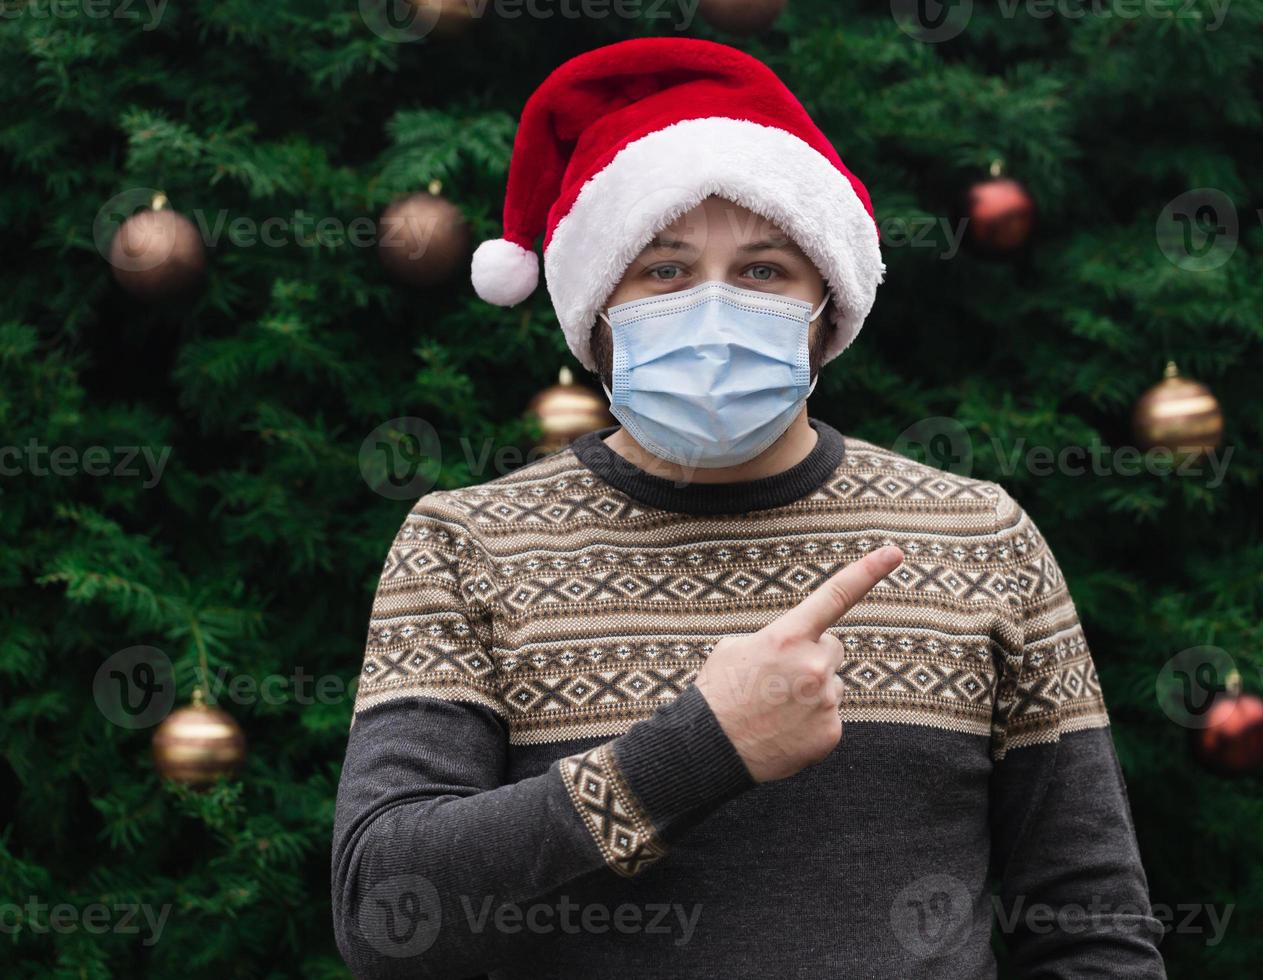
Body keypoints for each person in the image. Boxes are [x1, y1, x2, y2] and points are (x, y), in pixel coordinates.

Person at [332, 36, 1166, 979]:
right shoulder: (465, 544)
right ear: (596, 312)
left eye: (765, 270)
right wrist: (696, 753)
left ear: (828, 309)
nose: (713, 310)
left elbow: (1092, 929)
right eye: (663, 270)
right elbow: (382, 909)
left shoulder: (979, 538)